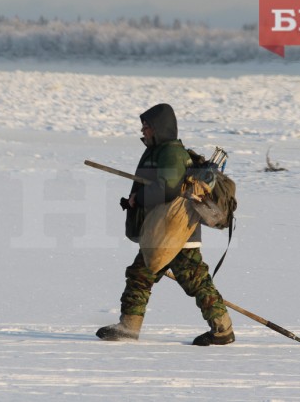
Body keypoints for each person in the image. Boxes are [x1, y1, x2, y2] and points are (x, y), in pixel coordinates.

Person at [96, 103, 235, 346]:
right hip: (162, 231)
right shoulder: (157, 150)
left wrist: (138, 198)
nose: (143, 130)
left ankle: (223, 330)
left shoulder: (170, 153)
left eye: (147, 126)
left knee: (195, 280)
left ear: (159, 128)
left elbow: (168, 189)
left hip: (177, 232)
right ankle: (129, 327)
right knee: (140, 276)